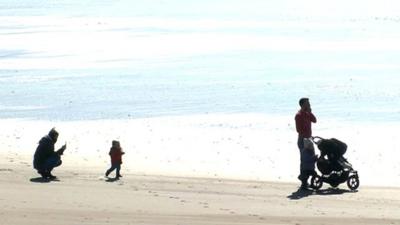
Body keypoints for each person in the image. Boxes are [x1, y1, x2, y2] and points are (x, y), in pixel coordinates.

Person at [295, 98, 317, 187]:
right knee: (304, 161)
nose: (309, 105)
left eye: (309, 103)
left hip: (309, 140)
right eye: (307, 103)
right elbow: (298, 130)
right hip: (303, 140)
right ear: (303, 105)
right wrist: (306, 138)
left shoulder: (307, 114)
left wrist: (310, 112)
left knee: (310, 160)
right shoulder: (299, 115)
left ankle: (305, 178)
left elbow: (315, 120)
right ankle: (304, 182)